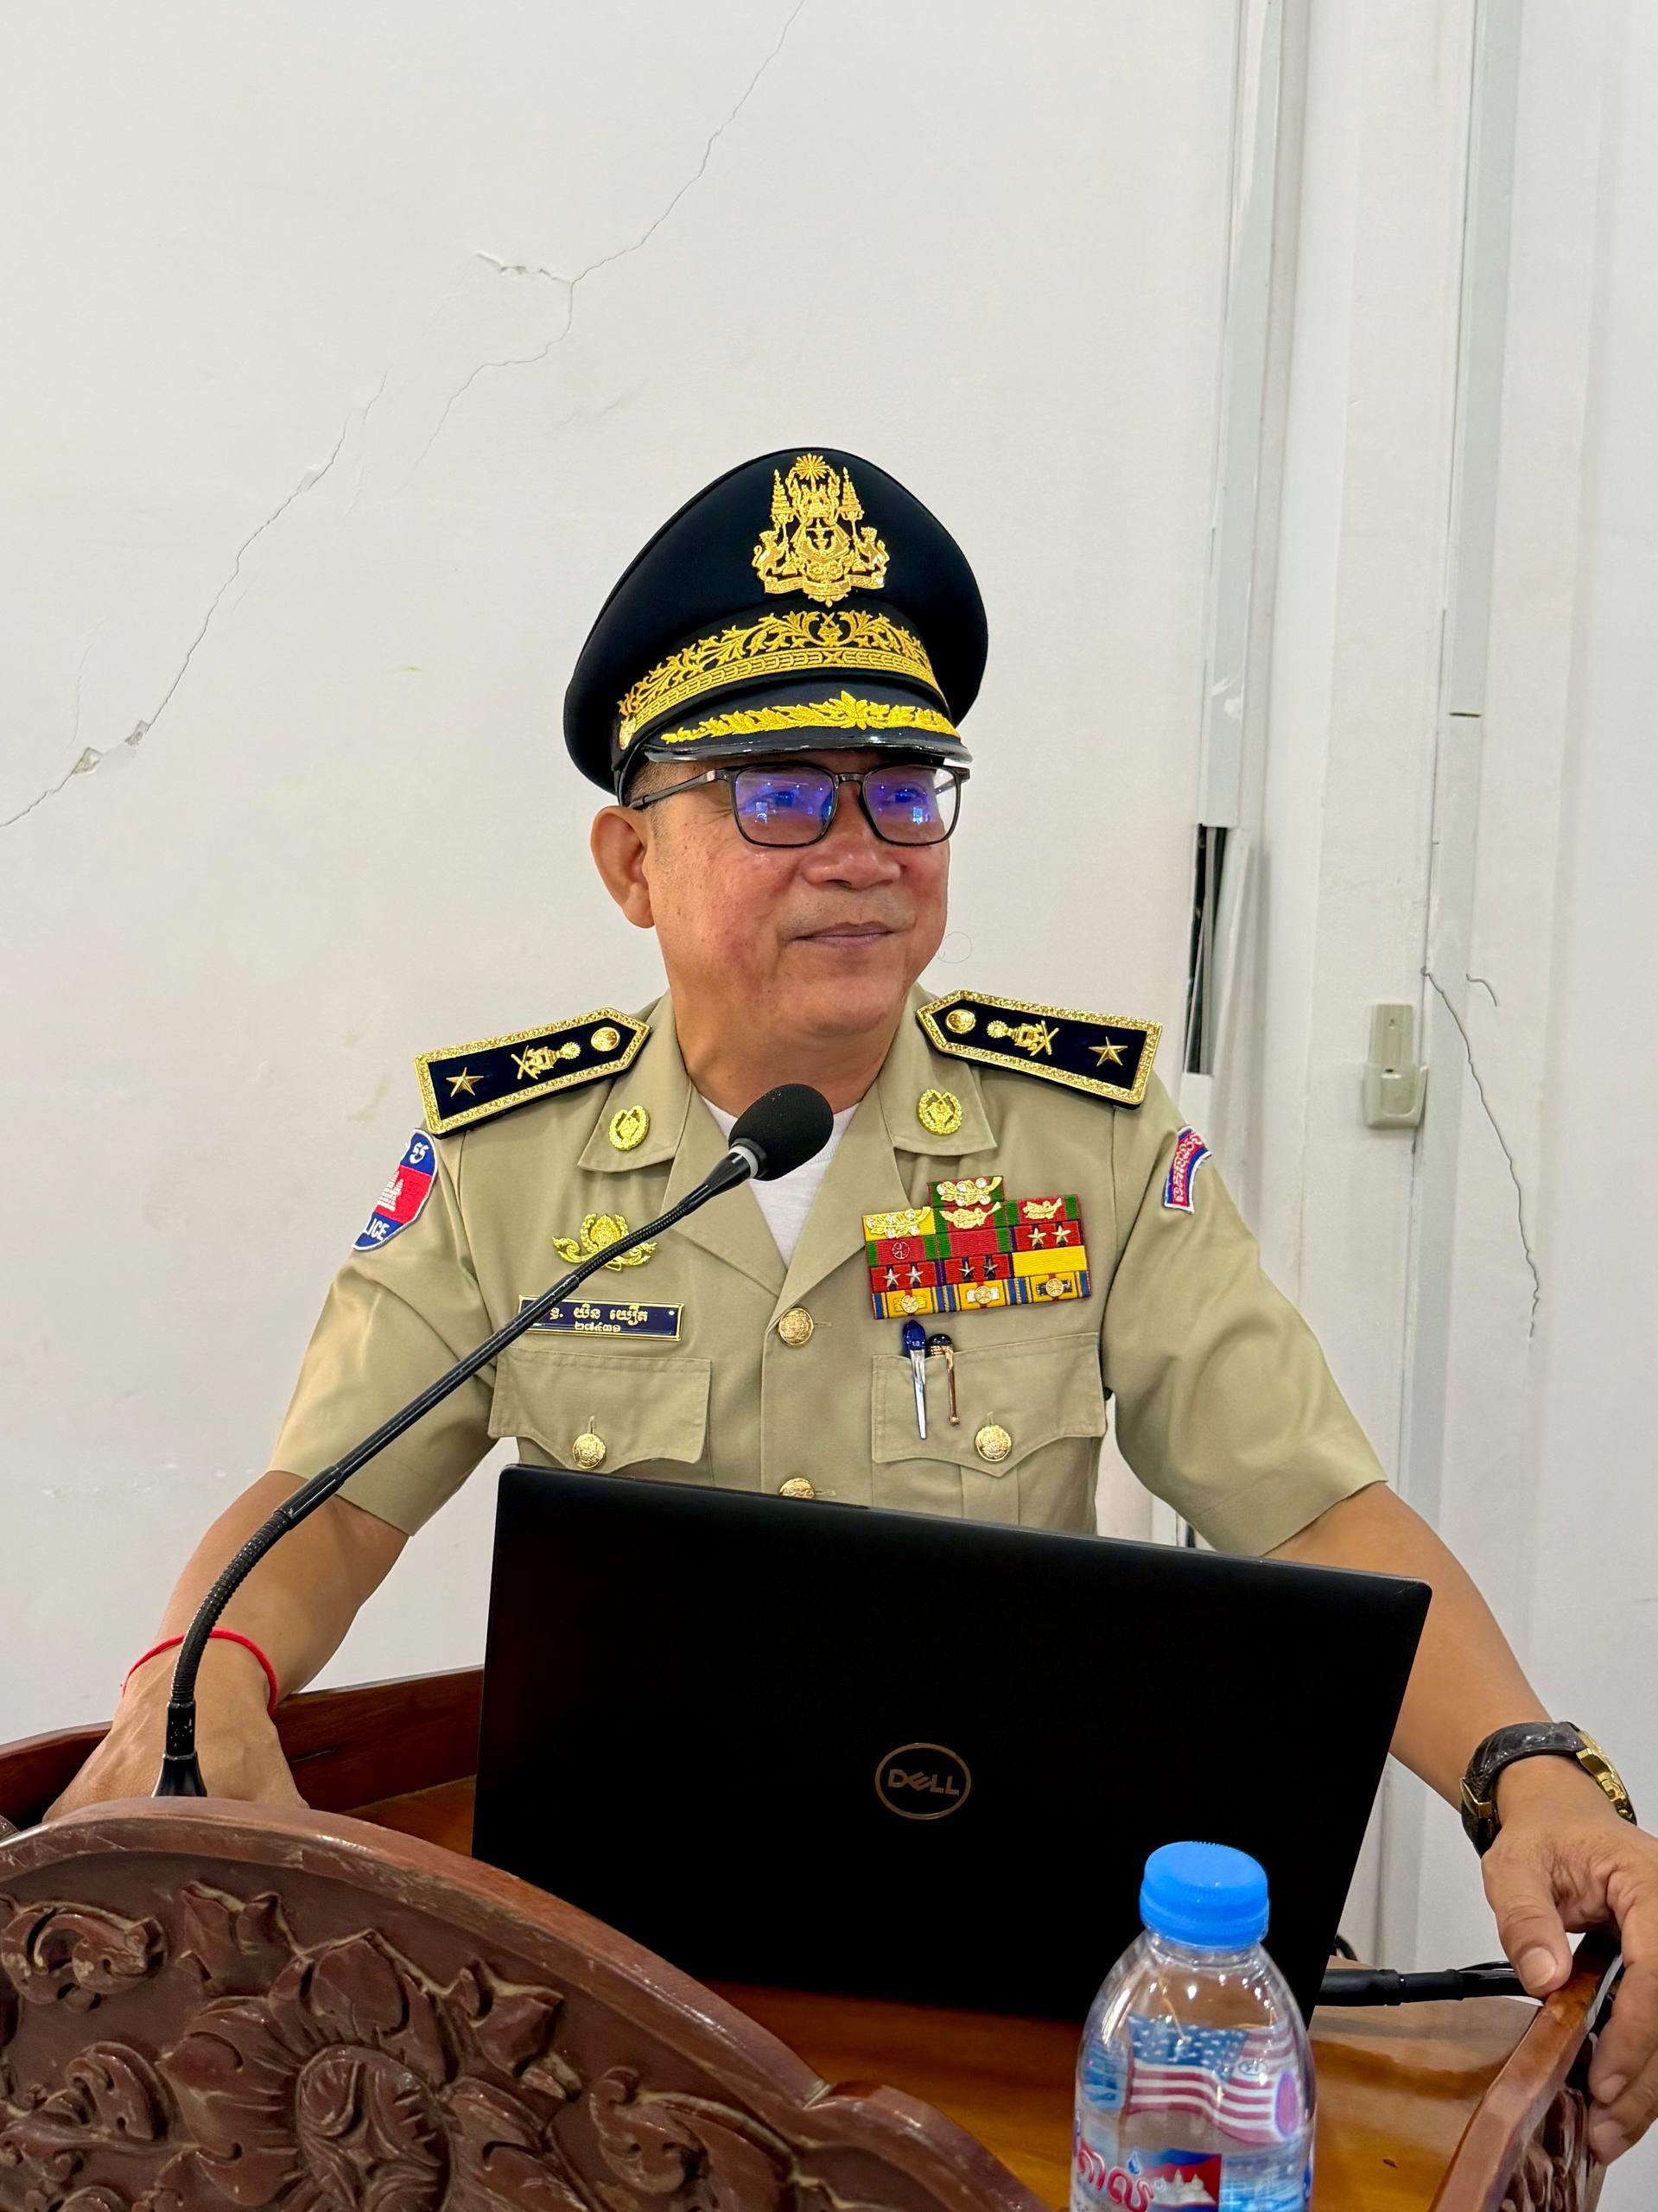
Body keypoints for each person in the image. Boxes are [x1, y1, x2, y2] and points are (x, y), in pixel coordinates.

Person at [51, 448, 1658, 2164]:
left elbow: (1312, 1501)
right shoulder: (504, 1161)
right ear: (631, 860)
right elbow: (332, 1502)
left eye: (905, 788)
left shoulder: (1089, 1138)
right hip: (617, 1995)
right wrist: (196, 1669)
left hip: (1016, 1976)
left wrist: (1531, 1768)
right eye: (780, 796)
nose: (863, 853)